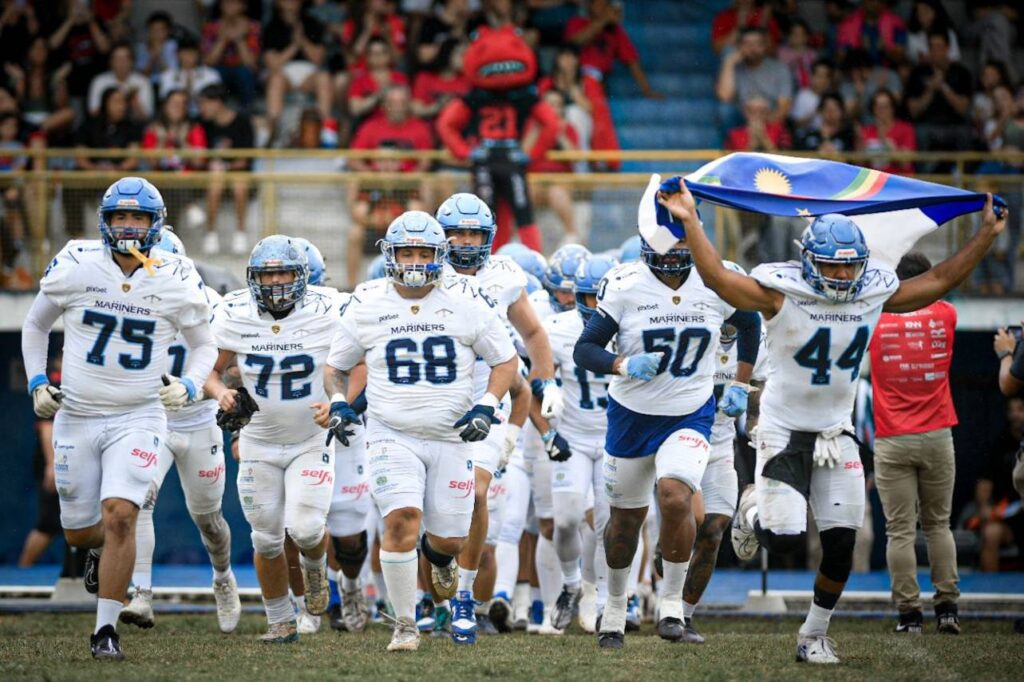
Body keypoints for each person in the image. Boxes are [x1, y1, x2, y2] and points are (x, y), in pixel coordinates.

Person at [660, 176, 1006, 663]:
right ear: (808, 262)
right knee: (781, 541)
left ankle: (813, 634)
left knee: (841, 544)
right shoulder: (783, 292)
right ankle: (752, 508)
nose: (842, 279)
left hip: (835, 433)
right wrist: (692, 220)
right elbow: (718, 277)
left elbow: (937, 281)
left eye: (849, 269)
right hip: (782, 431)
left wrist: (985, 235)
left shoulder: (873, 291)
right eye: (832, 268)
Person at [20, 177, 217, 660]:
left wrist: (190, 384)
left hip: (139, 414)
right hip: (79, 416)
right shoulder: (77, 262)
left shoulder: (175, 273)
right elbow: (36, 323)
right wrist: (37, 382)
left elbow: (204, 344)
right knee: (81, 531)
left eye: (138, 218)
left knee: (123, 515)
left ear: (156, 224)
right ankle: (94, 553)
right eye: (120, 217)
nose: (129, 226)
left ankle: (105, 630)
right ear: (104, 222)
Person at [325, 211, 518, 651]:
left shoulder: (466, 298)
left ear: (440, 255)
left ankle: (438, 561)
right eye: (406, 252)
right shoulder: (368, 300)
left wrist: (487, 405)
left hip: (453, 434)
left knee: (448, 540)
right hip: (391, 432)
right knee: (400, 521)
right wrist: (338, 399)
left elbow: (506, 361)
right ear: (390, 255)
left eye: (424, 252)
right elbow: (335, 368)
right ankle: (406, 625)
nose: (414, 261)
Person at [573, 221, 762, 649]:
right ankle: (616, 605)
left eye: (682, 239)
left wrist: (740, 383)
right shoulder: (624, 284)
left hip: (689, 414)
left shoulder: (714, 279)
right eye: (667, 240)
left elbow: (749, 325)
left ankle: (672, 604)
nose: (676, 248)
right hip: (632, 415)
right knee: (624, 522)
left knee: (676, 496)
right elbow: (584, 350)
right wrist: (621, 364)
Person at [436, 193, 562, 644]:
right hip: (434, 401)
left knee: (478, 493)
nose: (466, 242)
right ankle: (437, 591)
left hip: (491, 397)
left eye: (474, 233)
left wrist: (545, 380)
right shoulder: (428, 270)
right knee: (434, 518)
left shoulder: (503, 275)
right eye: (457, 232)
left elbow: (532, 332)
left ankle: (466, 598)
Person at [204, 235, 340, 643]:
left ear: (302, 277)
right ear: (253, 277)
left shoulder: (328, 308)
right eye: (268, 274)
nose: (276, 281)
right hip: (260, 439)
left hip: (309, 438)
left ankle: (315, 568)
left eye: (284, 272)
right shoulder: (234, 313)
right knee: (265, 536)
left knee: (306, 528)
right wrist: (221, 393)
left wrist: (340, 400)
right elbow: (209, 368)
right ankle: (280, 621)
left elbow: (357, 357)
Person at [118, 230, 240, 634]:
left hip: (198, 420)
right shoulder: (128, 303)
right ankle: (142, 593)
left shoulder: (212, 305)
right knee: (140, 498)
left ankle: (222, 576)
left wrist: (217, 387)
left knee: (209, 521)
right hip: (151, 418)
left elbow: (229, 365)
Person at [868, 252, 960, 635]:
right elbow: (939, 287)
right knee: (939, 525)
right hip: (938, 434)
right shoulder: (947, 315)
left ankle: (909, 616)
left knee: (899, 530)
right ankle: (947, 610)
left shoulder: (875, 318)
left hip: (892, 438)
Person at [533, 255, 617, 632]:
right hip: (575, 436)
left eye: (600, 299)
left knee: (607, 524)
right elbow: (535, 377)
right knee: (565, 520)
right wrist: (547, 388)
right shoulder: (557, 329)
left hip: (616, 438)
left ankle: (602, 599)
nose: (594, 309)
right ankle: (570, 585)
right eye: (586, 299)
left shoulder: (631, 325)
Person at [347, 84, 434, 290]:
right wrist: (381, 219)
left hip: (404, 235)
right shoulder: (369, 185)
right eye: (382, 160)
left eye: (392, 161)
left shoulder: (408, 184)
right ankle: (351, 286)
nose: (387, 165)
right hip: (374, 229)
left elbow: (417, 212)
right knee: (354, 232)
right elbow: (358, 213)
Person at [262, 0, 334, 142]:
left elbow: (318, 59)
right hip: (283, 73)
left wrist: (302, 41)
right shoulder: (271, 27)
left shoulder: (312, 23)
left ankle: (325, 132)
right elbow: (273, 64)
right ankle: (273, 132)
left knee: (324, 78)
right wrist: (294, 46)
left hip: (309, 72)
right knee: (276, 79)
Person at [197, 83, 254, 256]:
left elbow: (245, 160)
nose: (201, 108)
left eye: (204, 103)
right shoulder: (202, 124)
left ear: (217, 103)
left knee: (239, 183)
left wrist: (225, 165)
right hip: (213, 176)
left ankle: (240, 234)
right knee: (216, 178)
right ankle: (211, 234)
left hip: (239, 173)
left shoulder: (243, 122)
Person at [563, 0, 662, 99]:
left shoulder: (615, 31)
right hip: (575, 75)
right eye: (602, 4)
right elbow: (574, 44)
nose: (606, 9)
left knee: (594, 82)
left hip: (600, 80)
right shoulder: (577, 22)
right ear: (590, 5)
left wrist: (647, 90)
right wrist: (603, 21)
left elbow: (632, 62)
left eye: (607, 5)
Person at [19, 356, 63, 568]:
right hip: (56, 464)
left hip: (73, 460)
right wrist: (52, 465)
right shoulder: (55, 384)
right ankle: (21, 574)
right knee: (48, 523)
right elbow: (46, 427)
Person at [716, 27, 794, 130]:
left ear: (765, 46)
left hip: (768, 117)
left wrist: (764, 121)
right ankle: (732, 145)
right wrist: (729, 63)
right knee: (724, 110)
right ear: (739, 46)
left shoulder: (780, 69)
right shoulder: (734, 66)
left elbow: (784, 106)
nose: (752, 48)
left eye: (758, 44)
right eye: (747, 44)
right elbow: (724, 97)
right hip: (743, 117)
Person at [201, 0, 261, 111]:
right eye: (226, 2)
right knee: (211, 74)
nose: (230, 6)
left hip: (243, 69)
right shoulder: (210, 27)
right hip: (219, 68)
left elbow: (251, 63)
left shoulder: (253, 27)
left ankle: (247, 113)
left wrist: (239, 39)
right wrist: (222, 39)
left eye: (235, 3)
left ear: (244, 6)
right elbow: (208, 62)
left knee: (245, 73)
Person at [87, 43, 154, 123]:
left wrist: (133, 100)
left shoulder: (142, 82)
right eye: (117, 58)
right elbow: (93, 113)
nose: (122, 62)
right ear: (110, 62)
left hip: (133, 127)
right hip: (104, 126)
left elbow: (146, 117)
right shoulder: (99, 81)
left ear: (132, 62)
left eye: (126, 58)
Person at [858, 89, 917, 176]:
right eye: (878, 107)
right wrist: (860, 144)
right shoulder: (866, 131)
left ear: (893, 108)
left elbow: (905, 163)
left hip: (900, 181)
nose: (881, 111)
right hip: (874, 182)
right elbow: (860, 165)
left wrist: (884, 139)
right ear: (873, 109)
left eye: (885, 107)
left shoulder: (906, 129)